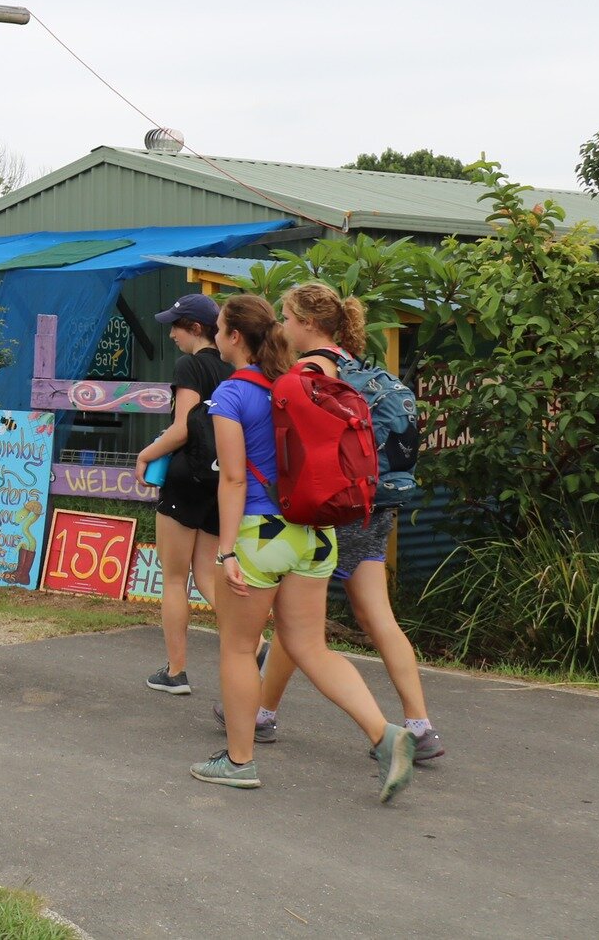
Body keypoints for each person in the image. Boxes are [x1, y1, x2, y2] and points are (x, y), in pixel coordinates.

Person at [191, 293, 416, 802]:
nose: (216, 337)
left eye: (220, 329)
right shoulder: (298, 383)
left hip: (259, 535)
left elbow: (231, 477)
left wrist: (226, 550)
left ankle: (239, 760)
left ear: (232, 337)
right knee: (312, 648)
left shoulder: (233, 394)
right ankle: (386, 735)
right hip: (316, 534)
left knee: (239, 649)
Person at [246, 283, 443, 759]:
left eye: (288, 318)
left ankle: (261, 714)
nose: (283, 326)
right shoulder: (362, 371)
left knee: (297, 619)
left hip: (336, 505)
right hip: (377, 503)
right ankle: (420, 726)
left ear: (309, 324)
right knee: (376, 615)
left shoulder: (311, 373)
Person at [135, 293, 230, 695]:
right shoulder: (231, 366)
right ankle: (255, 646)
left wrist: (144, 455)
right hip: (220, 479)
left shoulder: (189, 365)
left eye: (176, 325)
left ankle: (176, 671)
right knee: (208, 574)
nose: (171, 333)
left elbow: (184, 427)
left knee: (174, 579)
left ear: (195, 328)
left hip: (185, 476)